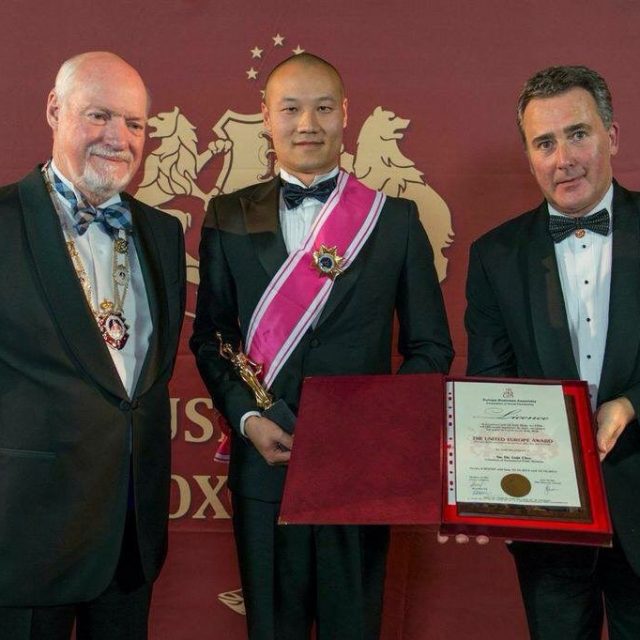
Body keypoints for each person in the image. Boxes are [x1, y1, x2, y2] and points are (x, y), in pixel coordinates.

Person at [191, 52, 453, 639]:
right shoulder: (227, 215)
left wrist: (372, 428)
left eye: (323, 108)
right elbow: (211, 337)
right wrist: (248, 416)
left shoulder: (394, 220)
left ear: (346, 114)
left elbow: (431, 347)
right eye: (290, 109)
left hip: (361, 474)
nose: (307, 124)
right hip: (265, 467)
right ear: (266, 117)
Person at [0, 51, 186, 639]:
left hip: (131, 535)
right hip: (25, 534)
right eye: (99, 115)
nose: (118, 138)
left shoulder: (163, 232)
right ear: (55, 111)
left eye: (134, 124)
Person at [465, 65, 640, 639]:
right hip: (547, 516)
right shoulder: (494, 255)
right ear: (529, 156)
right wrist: (479, 488)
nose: (563, 158)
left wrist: (630, 404)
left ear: (612, 136)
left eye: (578, 134)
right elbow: (490, 381)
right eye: (544, 142)